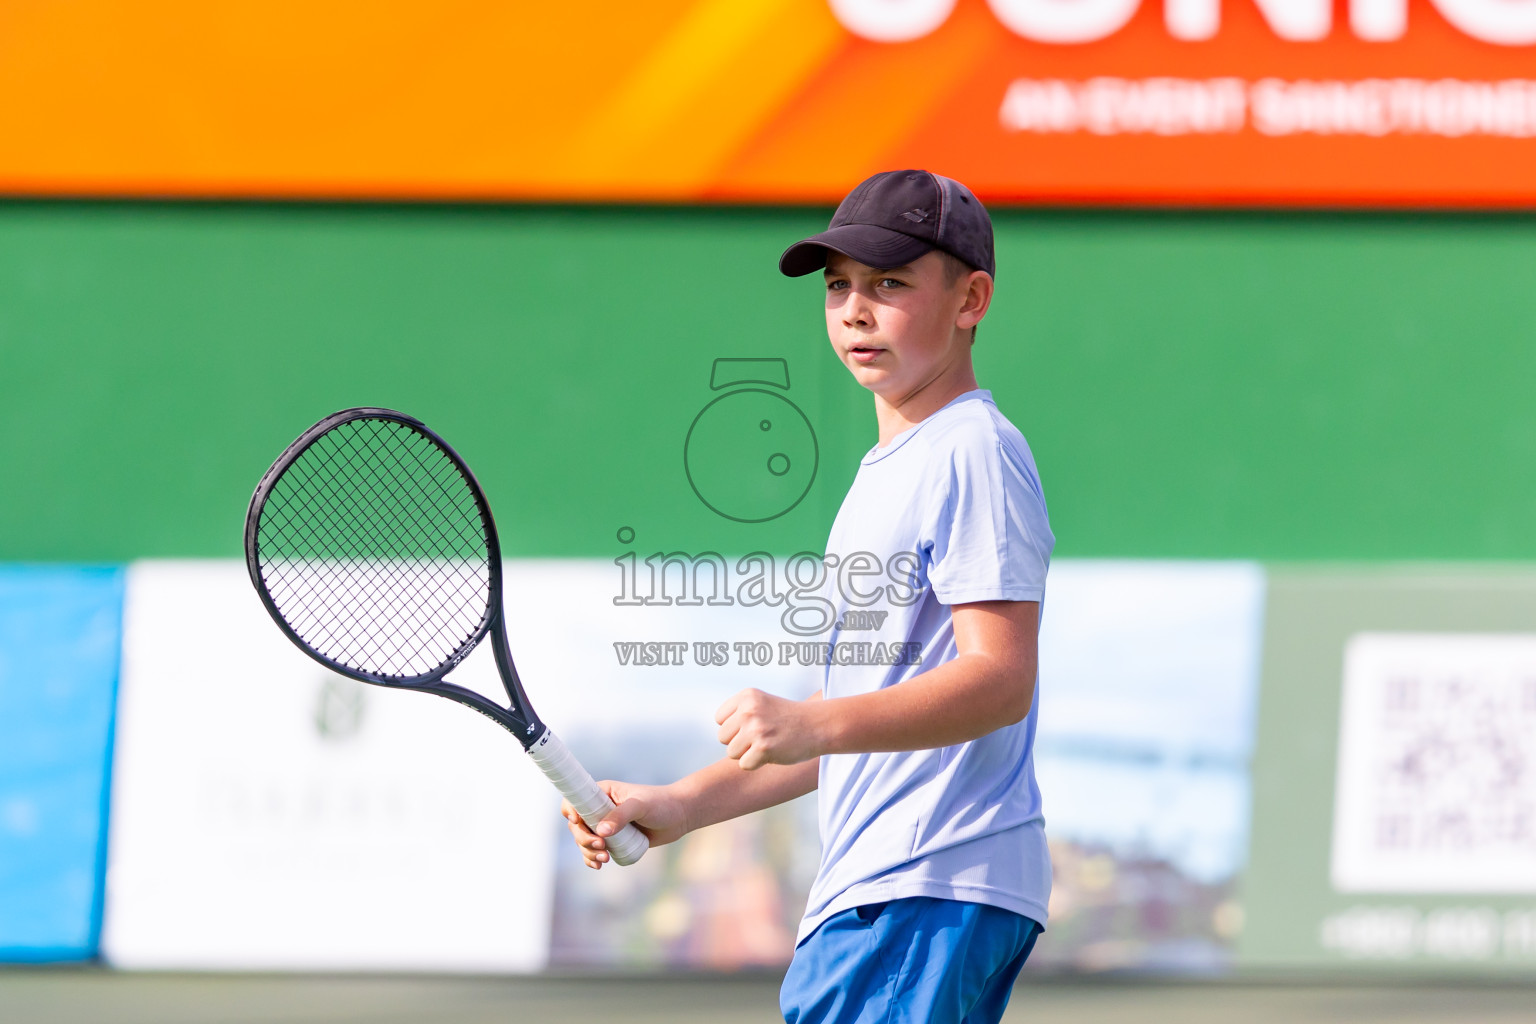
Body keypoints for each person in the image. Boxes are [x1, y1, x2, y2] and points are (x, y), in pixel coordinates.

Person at [562, 169, 1053, 1024]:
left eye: (890, 284)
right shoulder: (891, 470)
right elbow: (864, 716)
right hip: (893, 898)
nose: (855, 310)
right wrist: (682, 803)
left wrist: (809, 724)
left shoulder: (971, 448)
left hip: (918, 888)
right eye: (838, 288)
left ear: (972, 298)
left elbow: (1000, 680)